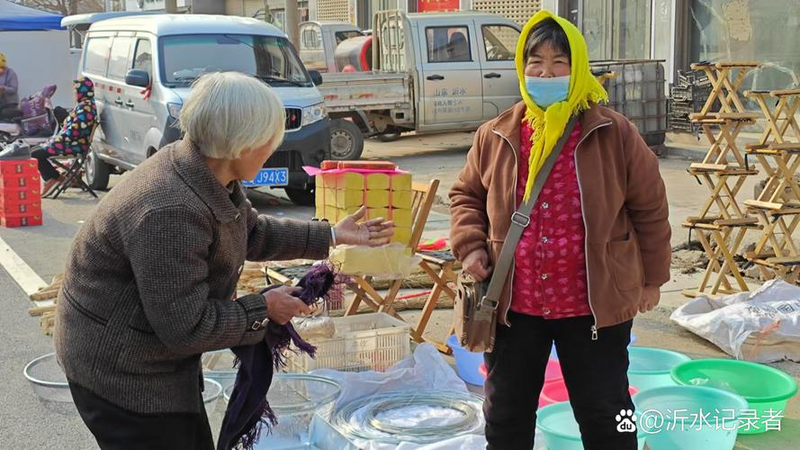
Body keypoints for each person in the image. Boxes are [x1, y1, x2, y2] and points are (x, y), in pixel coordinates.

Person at [54, 71, 394, 449]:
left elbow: (250, 232)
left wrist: (331, 235)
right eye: (269, 140)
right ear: (241, 143)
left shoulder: (206, 172)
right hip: (124, 374)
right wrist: (262, 308)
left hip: (153, 358)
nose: (273, 148)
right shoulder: (170, 209)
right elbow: (186, 326)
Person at [449, 11, 671, 450]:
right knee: (506, 416)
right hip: (515, 304)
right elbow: (465, 196)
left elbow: (651, 209)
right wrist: (471, 246)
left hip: (594, 307)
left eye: (558, 63)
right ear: (521, 67)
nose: (545, 73)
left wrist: (652, 279)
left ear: (578, 68)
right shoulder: (495, 134)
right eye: (535, 62)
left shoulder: (614, 132)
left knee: (608, 414)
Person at [32, 77, 98, 196]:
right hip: (68, 142)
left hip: (72, 145)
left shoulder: (85, 108)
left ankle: (52, 178)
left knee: (34, 154)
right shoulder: (84, 105)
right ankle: (55, 177)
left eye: (75, 90)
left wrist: (55, 140)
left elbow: (74, 132)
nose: (74, 93)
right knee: (34, 151)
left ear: (81, 91)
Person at [0, 52, 20, 119]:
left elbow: (14, 89)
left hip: (11, 103)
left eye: (1, 68)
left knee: (4, 114)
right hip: (1, 103)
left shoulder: (11, 73)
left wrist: (3, 88)